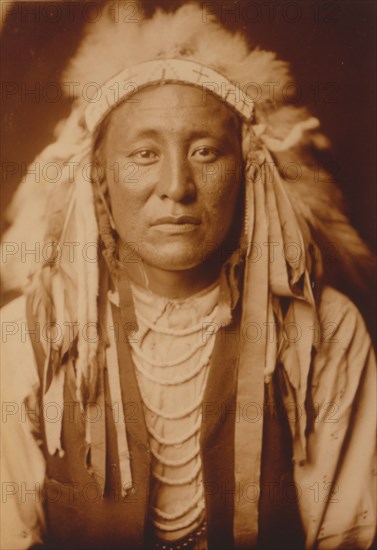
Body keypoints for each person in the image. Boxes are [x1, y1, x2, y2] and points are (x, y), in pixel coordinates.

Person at [1, 3, 376, 549]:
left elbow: (350, 537)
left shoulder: (323, 332)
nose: (176, 186)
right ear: (99, 179)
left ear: (248, 172)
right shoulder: (27, 340)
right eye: (144, 153)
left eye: (205, 151)